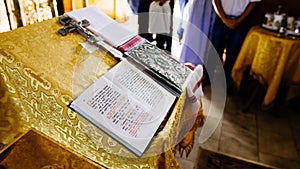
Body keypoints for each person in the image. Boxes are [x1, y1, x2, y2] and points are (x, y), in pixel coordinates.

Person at [208, 0, 260, 94]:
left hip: (240, 21)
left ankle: (226, 81)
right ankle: (209, 78)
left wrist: (238, 21)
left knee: (233, 53)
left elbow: (253, 3)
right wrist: (223, 18)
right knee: (215, 50)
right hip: (221, 17)